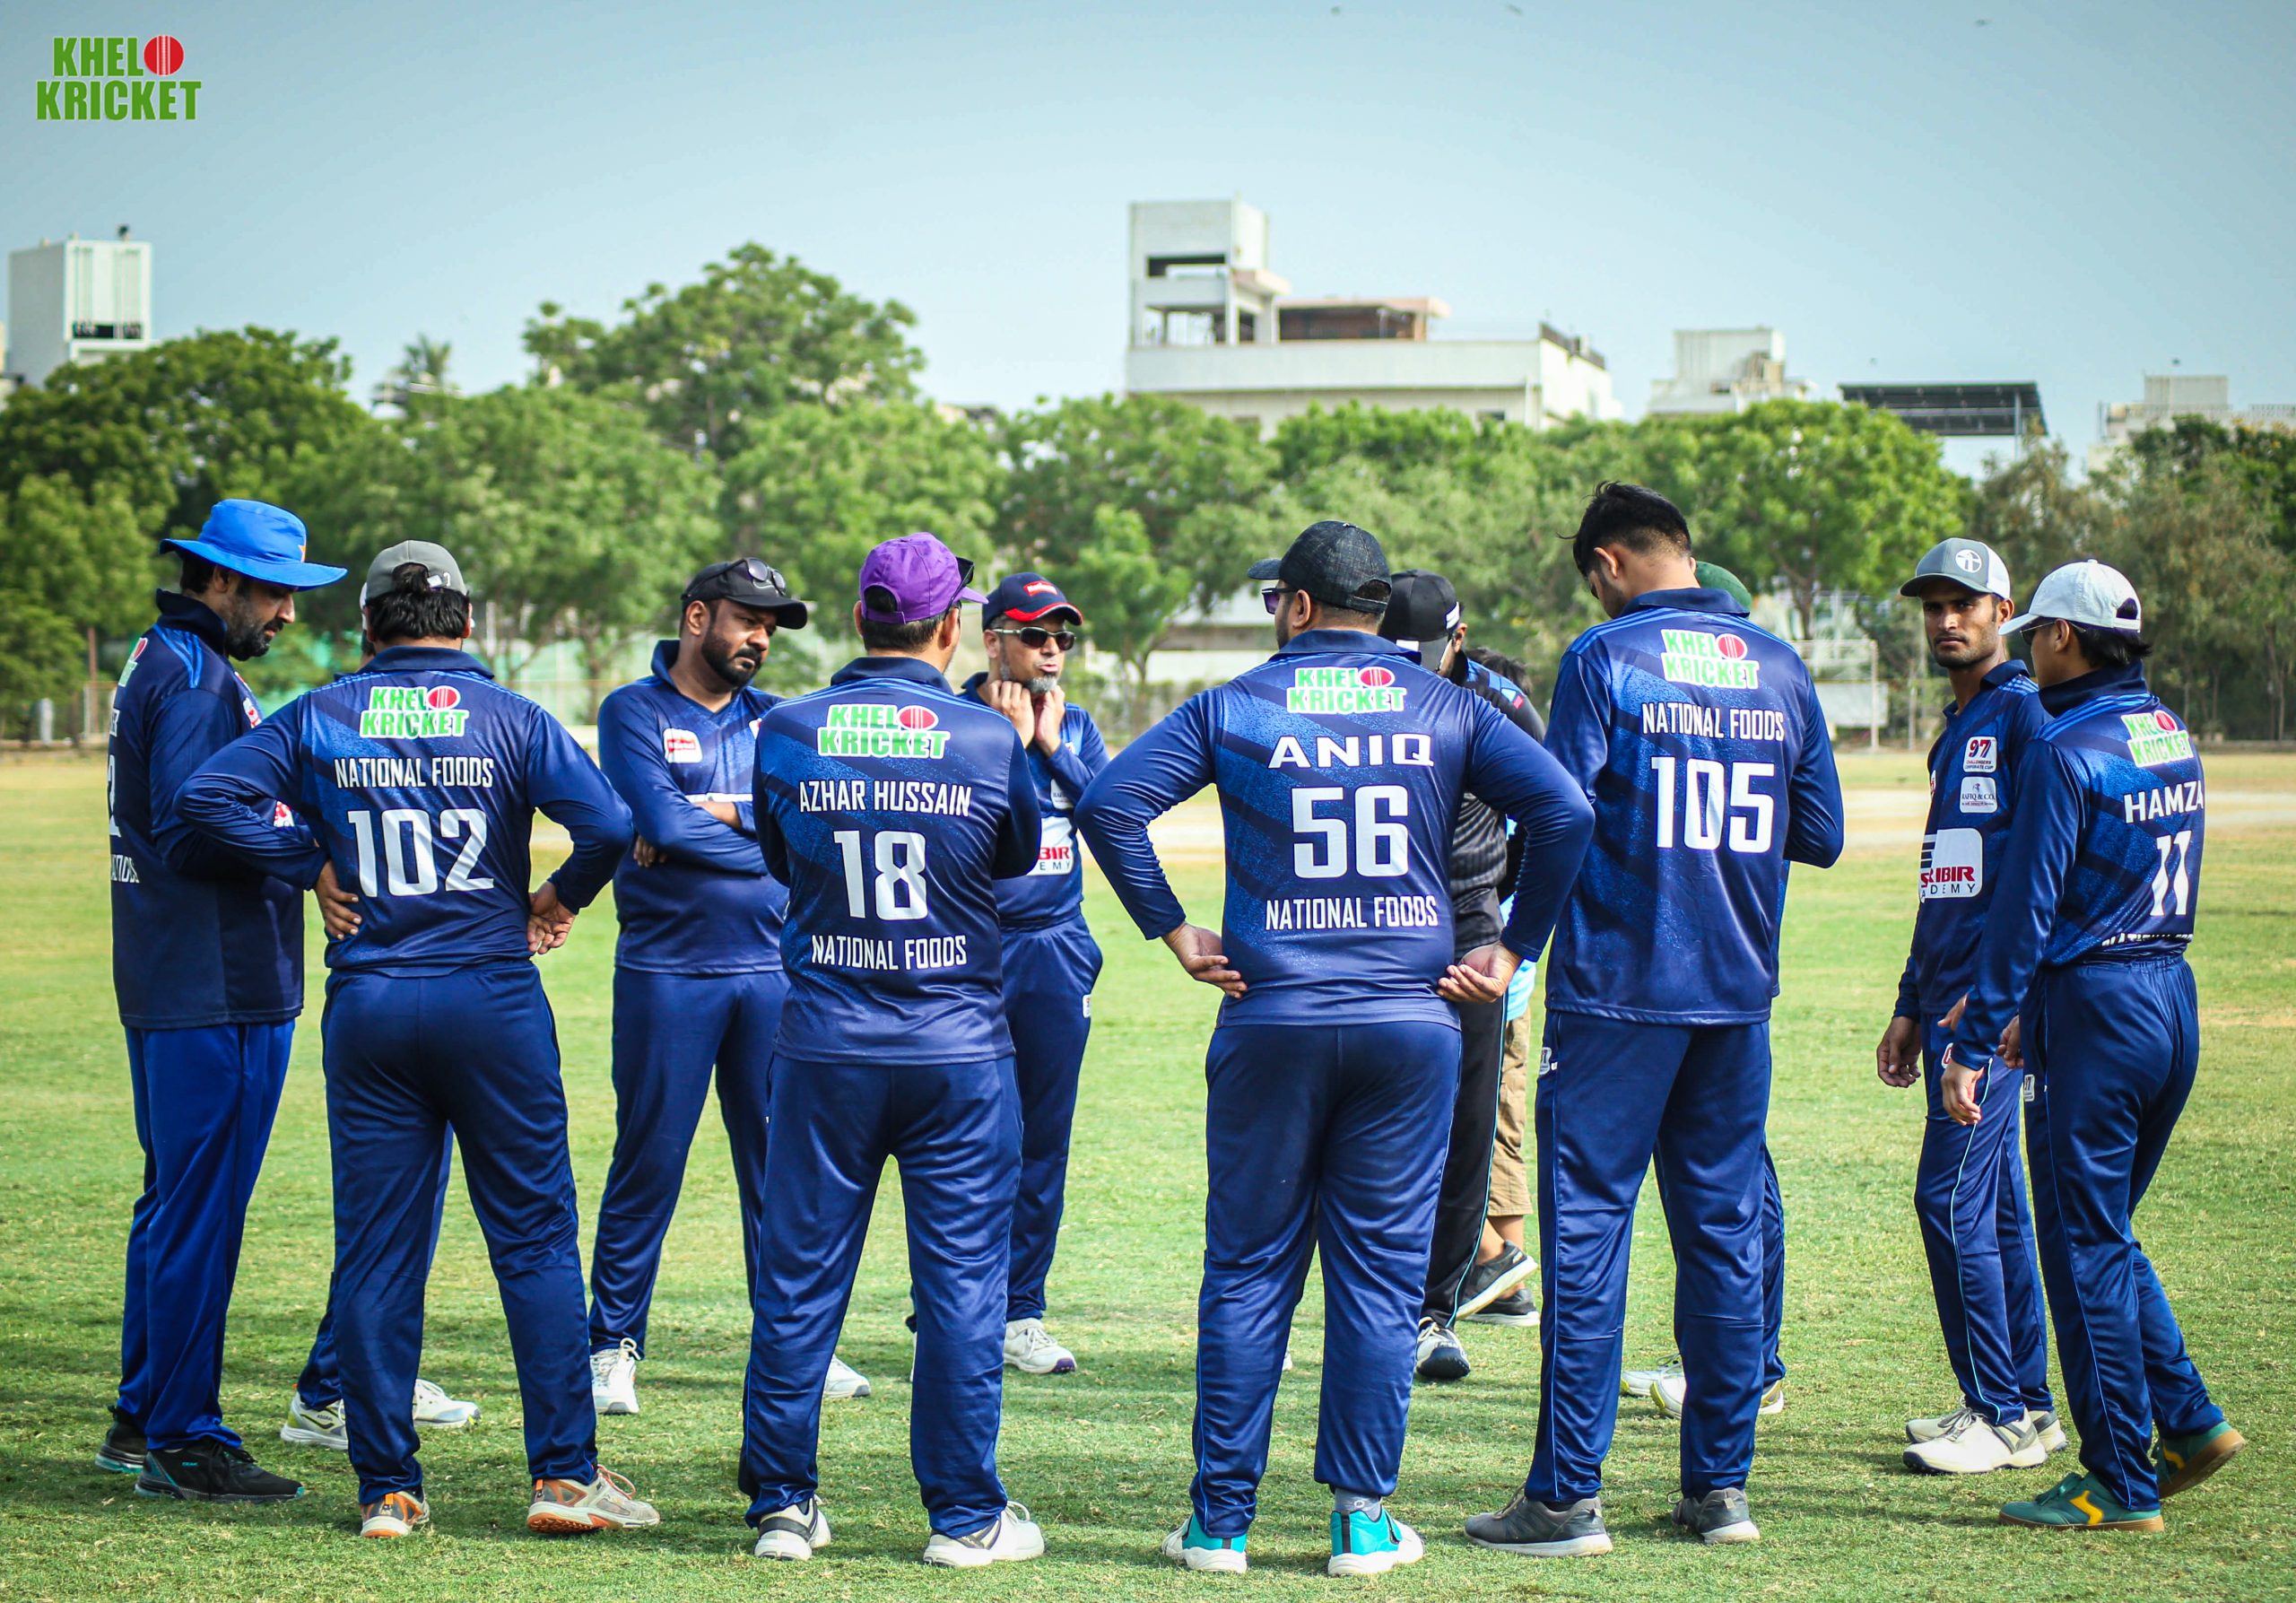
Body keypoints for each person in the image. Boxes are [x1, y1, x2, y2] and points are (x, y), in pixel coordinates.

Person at [1077, 521, 1593, 1579]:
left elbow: (1108, 802)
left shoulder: (1236, 703)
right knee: (1379, 1277)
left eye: (1278, 598)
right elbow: (1565, 809)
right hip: (1409, 1024)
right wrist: (1510, 949)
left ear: (1302, 606)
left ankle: (1219, 1524)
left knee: (1247, 1270)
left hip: (1272, 1016)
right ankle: (1361, 1521)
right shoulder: (1446, 703)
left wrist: (1173, 930)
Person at [180, 541, 658, 1540]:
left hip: (374, 1004)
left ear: (367, 625)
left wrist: (308, 862)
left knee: (377, 1249)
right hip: (490, 998)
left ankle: (387, 1488)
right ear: (468, 621)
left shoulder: (320, 711)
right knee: (533, 1239)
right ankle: (563, 1475)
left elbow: (207, 797)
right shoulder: (513, 716)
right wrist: (557, 897)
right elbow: (611, 825)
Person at [1466, 484, 1842, 1558]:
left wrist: (1515, 944)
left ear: (1608, 564)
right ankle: (1719, 1490)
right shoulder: (1779, 664)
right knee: (1721, 1236)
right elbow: (1819, 830)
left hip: (1618, 994)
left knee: (1588, 1235)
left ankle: (1564, 1499)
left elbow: (1560, 810)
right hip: (1736, 996)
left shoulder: (1605, 656)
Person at [737, 532, 1045, 1568]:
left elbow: (779, 856)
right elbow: (1014, 856)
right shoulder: (987, 736)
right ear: (950, 625)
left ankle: (784, 1503)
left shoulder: (786, 728)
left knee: (797, 1276)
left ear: (858, 617)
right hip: (957, 1050)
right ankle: (963, 1514)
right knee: (963, 1287)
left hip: (825, 1043)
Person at [1941, 559, 2243, 1531]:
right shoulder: (2169, 729)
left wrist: (1973, 1040)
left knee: (2083, 1246)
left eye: (2036, 631)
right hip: (2169, 996)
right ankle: (2190, 1420)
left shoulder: (2064, 746)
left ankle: (2119, 1479)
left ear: (2064, 637)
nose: (2030, 646)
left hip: (2098, 1010)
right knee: (2104, 1230)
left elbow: (2022, 912)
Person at [581, 559, 873, 1414]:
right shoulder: (632, 710)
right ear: (697, 617)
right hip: (668, 974)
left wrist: (711, 814)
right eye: (748, 620)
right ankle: (611, 1345)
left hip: (773, 974)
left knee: (781, 1169)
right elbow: (657, 820)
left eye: (770, 627)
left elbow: (820, 822)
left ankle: (797, 1343)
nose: (760, 639)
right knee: (649, 1161)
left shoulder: (779, 720)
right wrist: (738, 827)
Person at [99, 500, 344, 1504]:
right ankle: (183, 1436)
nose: (286, 613)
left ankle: (140, 1416)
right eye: (275, 592)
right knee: (199, 1212)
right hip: (217, 982)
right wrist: (309, 854)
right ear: (221, 580)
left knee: (172, 1204)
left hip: (174, 971)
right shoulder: (199, 677)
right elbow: (191, 822)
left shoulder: (165, 656)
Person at [1873, 538, 2063, 1475]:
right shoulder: (1959, 726)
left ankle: (1997, 1412)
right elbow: (1944, 877)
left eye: (1965, 604)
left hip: (1987, 1014)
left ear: (2003, 612)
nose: (1946, 621)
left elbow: (2038, 878)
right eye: (1933, 606)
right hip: (1946, 1001)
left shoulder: (2025, 715)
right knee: (1996, 1208)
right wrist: (1911, 1000)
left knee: (1944, 1198)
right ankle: (2029, 1405)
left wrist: (2000, 1007)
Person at [1370, 572, 1551, 1387]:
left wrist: (1508, 925)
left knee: (1468, 1131)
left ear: (1459, 638)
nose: (1408, 671)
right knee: (1362, 1125)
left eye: (1423, 656)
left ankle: (1431, 1312)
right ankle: (1354, 1303)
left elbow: (1555, 813)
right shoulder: (1360, 694)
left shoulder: (1498, 704)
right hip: (1373, 932)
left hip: (1468, 937)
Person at [1622, 563, 1788, 1424]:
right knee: (1724, 1197)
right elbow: (1818, 831)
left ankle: (1755, 1364)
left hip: (1669, 983)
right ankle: (1726, 1374)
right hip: (1732, 980)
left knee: (1730, 1193)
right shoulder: (1768, 690)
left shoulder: (1637, 673)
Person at [961, 571, 1109, 1375]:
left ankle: (1021, 1312)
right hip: (970, 954)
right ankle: (954, 1309)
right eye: (1035, 636)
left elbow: (1113, 813)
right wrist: (1012, 747)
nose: (1052, 651)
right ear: (994, 640)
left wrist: (1052, 746)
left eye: (1062, 638)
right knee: (966, 1140)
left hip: (1055, 950)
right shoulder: (955, 718)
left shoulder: (1075, 724)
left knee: (1043, 1141)